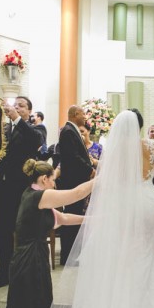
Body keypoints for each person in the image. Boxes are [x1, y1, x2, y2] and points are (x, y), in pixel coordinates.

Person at [37, 109, 154, 308]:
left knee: (122, 251)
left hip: (121, 203)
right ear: (140, 125)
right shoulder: (151, 146)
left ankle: (118, 305)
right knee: (148, 249)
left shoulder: (112, 151)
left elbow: (104, 182)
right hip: (148, 203)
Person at [4, 159, 93, 308]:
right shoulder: (39, 196)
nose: (55, 184)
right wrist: (101, 178)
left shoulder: (32, 195)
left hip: (31, 261)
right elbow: (76, 194)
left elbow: (63, 218)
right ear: (44, 179)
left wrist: (93, 220)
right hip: (29, 263)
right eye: (53, 180)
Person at [0, 96, 43, 290]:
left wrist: (17, 118)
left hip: (19, 188)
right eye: (14, 105)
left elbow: (35, 141)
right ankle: (3, 273)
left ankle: (22, 273)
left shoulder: (36, 128)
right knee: (1, 232)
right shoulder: (5, 129)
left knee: (21, 232)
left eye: (21, 106)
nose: (16, 108)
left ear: (29, 111)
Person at [57, 105, 95, 265]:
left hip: (76, 180)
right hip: (73, 181)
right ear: (74, 114)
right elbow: (73, 157)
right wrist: (90, 171)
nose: (85, 116)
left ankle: (73, 255)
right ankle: (68, 256)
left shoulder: (72, 130)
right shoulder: (68, 131)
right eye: (82, 113)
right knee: (71, 219)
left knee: (75, 217)